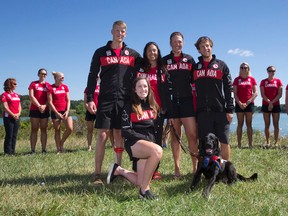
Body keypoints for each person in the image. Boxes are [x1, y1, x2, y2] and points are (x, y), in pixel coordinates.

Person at [86, 20, 141, 184]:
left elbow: (146, 67)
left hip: (124, 100)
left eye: (123, 31)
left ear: (126, 33)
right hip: (106, 98)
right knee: (102, 134)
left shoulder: (133, 54)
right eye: (117, 30)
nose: (120, 33)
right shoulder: (101, 52)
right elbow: (92, 75)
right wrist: (89, 98)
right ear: (111, 31)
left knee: (119, 135)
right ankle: (97, 174)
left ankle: (118, 170)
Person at [106, 77, 162, 200]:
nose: (143, 89)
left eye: (145, 86)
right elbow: (126, 131)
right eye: (140, 86)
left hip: (148, 146)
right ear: (135, 90)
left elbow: (156, 128)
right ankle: (144, 191)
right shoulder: (129, 107)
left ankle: (118, 170)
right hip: (134, 143)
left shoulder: (153, 106)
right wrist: (146, 140)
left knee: (138, 181)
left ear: (149, 89)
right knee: (157, 151)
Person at [163, 32, 198, 178]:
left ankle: (196, 168)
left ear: (183, 43)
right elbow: (162, 85)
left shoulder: (189, 59)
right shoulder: (164, 61)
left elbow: (196, 80)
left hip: (187, 102)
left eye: (180, 42)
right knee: (176, 137)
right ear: (170, 43)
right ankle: (177, 169)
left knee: (192, 135)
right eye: (175, 41)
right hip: (172, 103)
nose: (178, 44)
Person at [193, 36, 234, 161]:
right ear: (199, 50)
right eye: (203, 46)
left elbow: (229, 88)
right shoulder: (195, 67)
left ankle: (226, 168)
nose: (206, 48)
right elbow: (192, 89)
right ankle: (207, 169)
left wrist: (230, 109)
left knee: (224, 140)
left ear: (212, 47)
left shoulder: (222, 65)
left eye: (208, 45)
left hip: (220, 111)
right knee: (205, 143)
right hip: (203, 112)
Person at [135, 41, 171, 180]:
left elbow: (167, 91)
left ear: (158, 52)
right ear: (145, 52)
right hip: (141, 110)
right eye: (149, 50)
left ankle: (155, 170)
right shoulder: (140, 68)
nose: (152, 53)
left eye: (155, 50)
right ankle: (139, 169)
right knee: (142, 139)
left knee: (156, 140)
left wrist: (166, 110)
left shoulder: (163, 69)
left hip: (158, 111)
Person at [233, 62, 258, 148]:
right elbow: (235, 93)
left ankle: (250, 144)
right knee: (240, 124)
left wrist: (248, 102)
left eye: (245, 68)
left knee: (249, 124)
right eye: (242, 68)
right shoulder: (236, 79)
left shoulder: (252, 79)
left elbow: (256, 93)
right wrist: (240, 103)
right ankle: (239, 144)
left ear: (248, 69)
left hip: (249, 105)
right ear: (239, 69)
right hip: (239, 104)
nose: (243, 69)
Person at [84, 84, 115, 151]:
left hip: (100, 110)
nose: (97, 77)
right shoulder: (88, 87)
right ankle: (89, 147)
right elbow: (85, 101)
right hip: (90, 111)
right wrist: (90, 110)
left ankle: (113, 145)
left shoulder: (102, 86)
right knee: (90, 130)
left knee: (108, 129)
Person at [47, 72, 73, 153]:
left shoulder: (65, 87)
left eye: (63, 77)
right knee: (57, 130)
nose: (63, 78)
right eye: (61, 77)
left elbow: (68, 100)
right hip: (55, 111)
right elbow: (50, 102)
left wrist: (67, 110)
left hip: (65, 110)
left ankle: (61, 143)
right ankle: (58, 149)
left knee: (70, 128)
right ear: (56, 78)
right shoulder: (50, 87)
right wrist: (57, 113)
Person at [28, 68, 51, 154]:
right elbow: (31, 96)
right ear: (38, 74)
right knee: (34, 129)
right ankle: (33, 150)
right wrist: (39, 105)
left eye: (45, 74)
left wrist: (44, 105)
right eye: (42, 73)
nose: (43, 75)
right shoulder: (33, 84)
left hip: (45, 109)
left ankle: (44, 150)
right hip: (34, 109)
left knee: (44, 130)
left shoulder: (48, 85)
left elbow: (50, 98)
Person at [260, 66, 282, 147]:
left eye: (273, 71)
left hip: (276, 105)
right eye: (270, 71)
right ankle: (268, 142)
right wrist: (269, 102)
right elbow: (263, 94)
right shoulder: (263, 81)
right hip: (266, 105)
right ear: (267, 71)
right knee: (267, 124)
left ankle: (276, 142)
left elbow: (280, 94)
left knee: (276, 124)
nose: (272, 72)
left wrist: (272, 103)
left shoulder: (278, 81)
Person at [1, 78, 21, 155]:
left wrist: (18, 114)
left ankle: (12, 152)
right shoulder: (4, 95)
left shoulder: (17, 95)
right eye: (15, 84)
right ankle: (7, 152)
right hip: (8, 118)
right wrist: (13, 115)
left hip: (17, 117)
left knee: (14, 135)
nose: (16, 85)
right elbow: (5, 107)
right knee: (9, 134)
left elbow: (19, 106)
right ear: (10, 85)